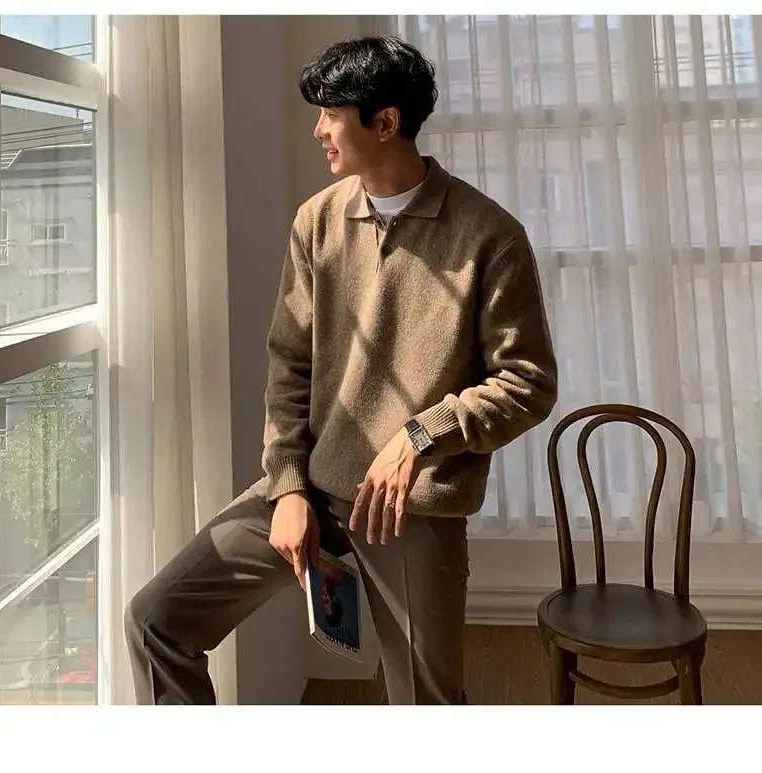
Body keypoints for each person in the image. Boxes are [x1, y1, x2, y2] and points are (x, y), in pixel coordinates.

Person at [124, 35, 558, 706]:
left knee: (427, 705)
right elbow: (289, 364)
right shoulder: (317, 222)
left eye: (331, 113)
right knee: (157, 621)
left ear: (385, 122)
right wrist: (288, 486)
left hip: (411, 506)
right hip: (313, 484)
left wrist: (421, 434)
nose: (318, 129)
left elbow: (526, 381)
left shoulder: (489, 235)